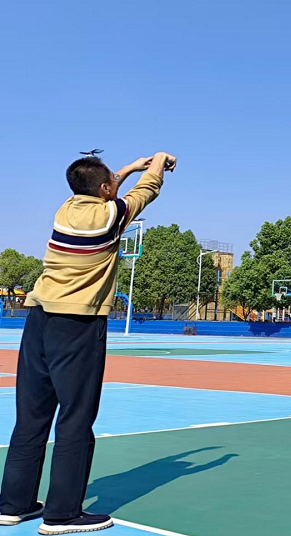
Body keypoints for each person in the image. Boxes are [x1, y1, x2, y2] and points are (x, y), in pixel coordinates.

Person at [0, 152, 176, 534]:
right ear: (106, 190)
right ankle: (62, 514)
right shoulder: (111, 217)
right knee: (75, 418)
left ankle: (14, 504)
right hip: (77, 324)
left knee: (31, 417)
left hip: (38, 319)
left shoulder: (64, 211)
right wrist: (157, 163)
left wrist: (127, 168)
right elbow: (147, 190)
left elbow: (105, 186)